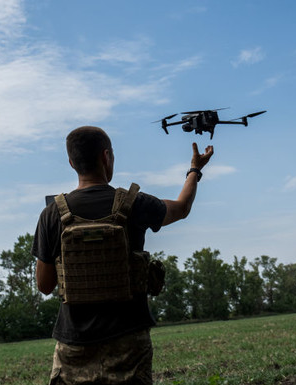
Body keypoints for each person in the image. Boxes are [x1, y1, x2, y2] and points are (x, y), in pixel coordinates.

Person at [32, 126, 214, 385]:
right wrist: (194, 170)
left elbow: (44, 285)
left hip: (74, 346)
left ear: (71, 163)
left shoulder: (52, 214)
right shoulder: (135, 203)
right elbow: (182, 208)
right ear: (106, 157)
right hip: (129, 344)